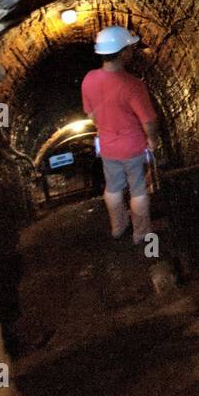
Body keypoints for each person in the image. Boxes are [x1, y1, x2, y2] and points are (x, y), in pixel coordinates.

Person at [80, 25, 159, 244]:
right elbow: (148, 121)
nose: (132, 52)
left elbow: (91, 115)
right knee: (138, 190)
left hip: (107, 147)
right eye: (130, 48)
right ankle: (141, 232)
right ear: (123, 52)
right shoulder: (133, 85)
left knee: (113, 188)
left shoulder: (88, 79)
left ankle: (118, 227)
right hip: (132, 147)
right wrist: (152, 140)